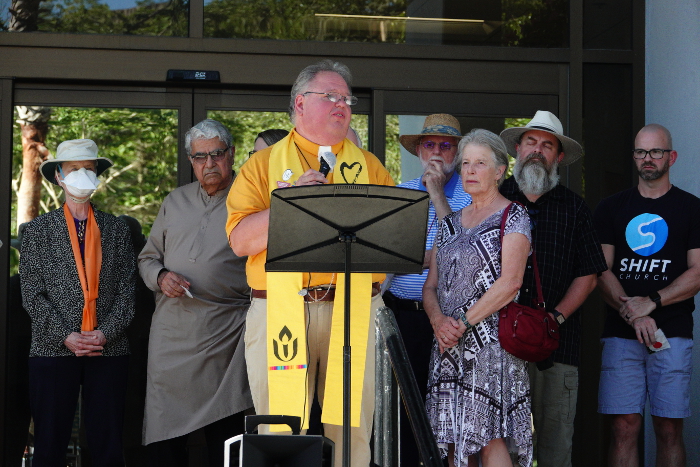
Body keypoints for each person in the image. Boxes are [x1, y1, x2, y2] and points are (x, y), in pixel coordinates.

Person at [226, 59, 394, 467]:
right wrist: (289, 205)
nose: (343, 105)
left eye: (347, 99)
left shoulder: (368, 167)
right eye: (331, 96)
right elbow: (240, 241)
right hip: (280, 308)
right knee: (280, 427)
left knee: (353, 429)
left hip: (352, 309)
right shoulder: (260, 166)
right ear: (300, 103)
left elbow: (394, 241)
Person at [139, 119, 252, 467]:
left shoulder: (251, 202)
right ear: (191, 161)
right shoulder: (175, 201)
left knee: (227, 431)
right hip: (172, 334)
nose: (209, 164)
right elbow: (147, 258)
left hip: (227, 333)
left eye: (217, 154)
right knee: (164, 431)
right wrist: (160, 277)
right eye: (200, 157)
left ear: (231, 155)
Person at [499, 111, 607, 467]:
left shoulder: (574, 208)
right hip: (498, 347)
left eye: (547, 145)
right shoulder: (494, 200)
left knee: (554, 447)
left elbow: (590, 274)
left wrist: (555, 319)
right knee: (502, 448)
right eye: (531, 141)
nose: (537, 150)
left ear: (558, 157)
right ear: (518, 148)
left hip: (557, 348)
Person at [20, 138, 136, 466]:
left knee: (107, 446)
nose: (81, 176)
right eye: (74, 169)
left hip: (108, 349)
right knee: (49, 445)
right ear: (59, 176)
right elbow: (31, 294)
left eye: (88, 169)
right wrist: (65, 336)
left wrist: (104, 334)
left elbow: (128, 293)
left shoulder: (117, 229)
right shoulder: (36, 231)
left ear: (98, 176)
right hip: (52, 349)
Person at [424, 128, 532, 467]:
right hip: (446, 346)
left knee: (489, 438)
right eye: (466, 163)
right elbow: (430, 287)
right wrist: (439, 322)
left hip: (490, 348)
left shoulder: (514, 216)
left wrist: (462, 323)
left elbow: (511, 282)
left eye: (480, 163)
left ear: (499, 171)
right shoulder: (450, 223)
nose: (470, 171)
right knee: (454, 441)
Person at [594, 124, 700, 467]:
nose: (648, 159)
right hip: (621, 332)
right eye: (641, 152)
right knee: (624, 426)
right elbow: (601, 269)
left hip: (672, 330)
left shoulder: (692, 208)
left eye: (656, 152)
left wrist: (652, 301)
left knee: (669, 428)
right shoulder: (611, 208)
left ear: (672, 156)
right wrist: (635, 313)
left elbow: (697, 272)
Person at [382, 113, 471, 467]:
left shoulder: (470, 192)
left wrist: (436, 192)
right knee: (399, 415)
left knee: (447, 417)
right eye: (430, 144)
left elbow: (460, 251)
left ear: (458, 153)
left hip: (450, 321)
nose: (437, 153)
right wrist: (425, 256)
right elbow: (386, 255)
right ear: (419, 150)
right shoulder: (401, 192)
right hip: (402, 315)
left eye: (446, 146)